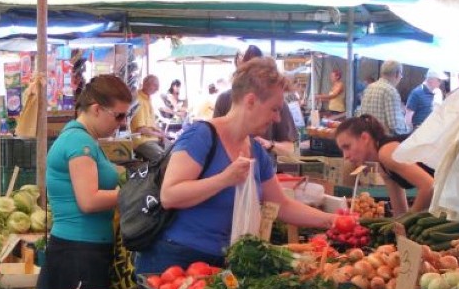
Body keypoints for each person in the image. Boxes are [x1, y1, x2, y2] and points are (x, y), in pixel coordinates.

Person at [135, 57, 336, 274]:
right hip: (174, 261)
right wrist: (224, 179)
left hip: (221, 261)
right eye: (274, 109)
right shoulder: (200, 136)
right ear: (250, 101)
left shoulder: (257, 151)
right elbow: (170, 195)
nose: (277, 119)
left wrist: (333, 220)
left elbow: (281, 205)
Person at [37, 75, 133, 289]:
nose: (123, 123)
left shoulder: (83, 139)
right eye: (119, 116)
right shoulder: (79, 141)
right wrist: (128, 194)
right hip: (78, 253)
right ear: (97, 109)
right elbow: (88, 201)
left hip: (81, 249)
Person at [335, 114, 434, 217]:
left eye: (347, 147)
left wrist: (408, 220)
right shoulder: (383, 166)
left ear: (365, 138)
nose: (345, 156)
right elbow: (400, 212)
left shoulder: (386, 152)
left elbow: (429, 186)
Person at [214, 45, 298, 158]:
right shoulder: (224, 100)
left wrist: (270, 145)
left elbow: (290, 149)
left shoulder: (278, 103)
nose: (277, 118)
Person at [358, 60, 410, 136]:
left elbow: (361, 114)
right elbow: (395, 125)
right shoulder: (390, 91)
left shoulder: (369, 87)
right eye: (401, 75)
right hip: (383, 140)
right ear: (397, 74)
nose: (400, 77)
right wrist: (409, 129)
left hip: (368, 136)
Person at [130, 74, 166, 143]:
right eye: (155, 85)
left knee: (174, 150)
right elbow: (141, 130)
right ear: (146, 84)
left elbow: (151, 125)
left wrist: (160, 132)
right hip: (142, 140)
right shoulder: (138, 100)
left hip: (152, 138)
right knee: (165, 153)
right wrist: (159, 135)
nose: (157, 89)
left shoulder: (148, 99)